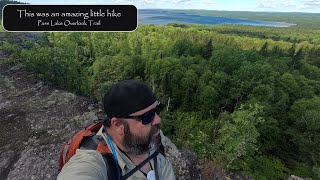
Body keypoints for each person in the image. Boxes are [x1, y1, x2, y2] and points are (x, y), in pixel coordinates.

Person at [57, 80, 176, 180]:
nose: (158, 119)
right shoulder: (95, 161)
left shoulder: (153, 135)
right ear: (118, 125)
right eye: (148, 116)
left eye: (157, 110)